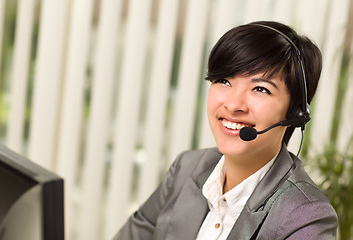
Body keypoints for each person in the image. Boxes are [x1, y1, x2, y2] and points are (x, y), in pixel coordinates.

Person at [113, 21, 338, 239]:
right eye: (224, 81)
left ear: (296, 112)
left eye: (260, 88)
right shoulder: (187, 168)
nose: (233, 105)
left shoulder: (306, 217)